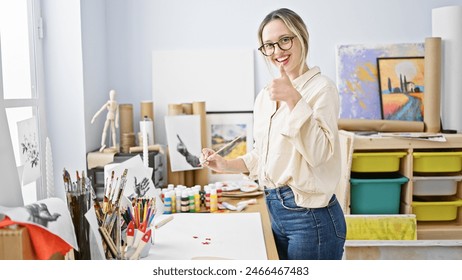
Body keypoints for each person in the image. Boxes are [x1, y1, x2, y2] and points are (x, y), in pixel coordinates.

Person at [201, 8, 346, 260]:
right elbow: (262, 155)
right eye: (269, 45)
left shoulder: (322, 89)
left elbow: (320, 154)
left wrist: (293, 99)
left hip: (310, 217)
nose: (277, 51)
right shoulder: (265, 96)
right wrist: (225, 164)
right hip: (274, 211)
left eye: (285, 40)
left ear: (302, 37)